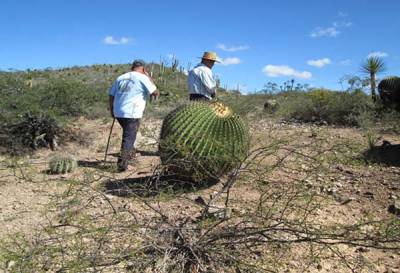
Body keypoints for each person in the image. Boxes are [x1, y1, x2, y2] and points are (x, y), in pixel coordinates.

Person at [108, 59, 159, 172]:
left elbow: (111, 95)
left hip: (119, 112)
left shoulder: (121, 77)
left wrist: (112, 110)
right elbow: (155, 92)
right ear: (143, 69)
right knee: (128, 138)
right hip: (132, 112)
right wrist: (149, 77)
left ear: (132, 67)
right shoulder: (142, 77)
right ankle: (122, 165)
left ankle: (130, 156)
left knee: (130, 135)